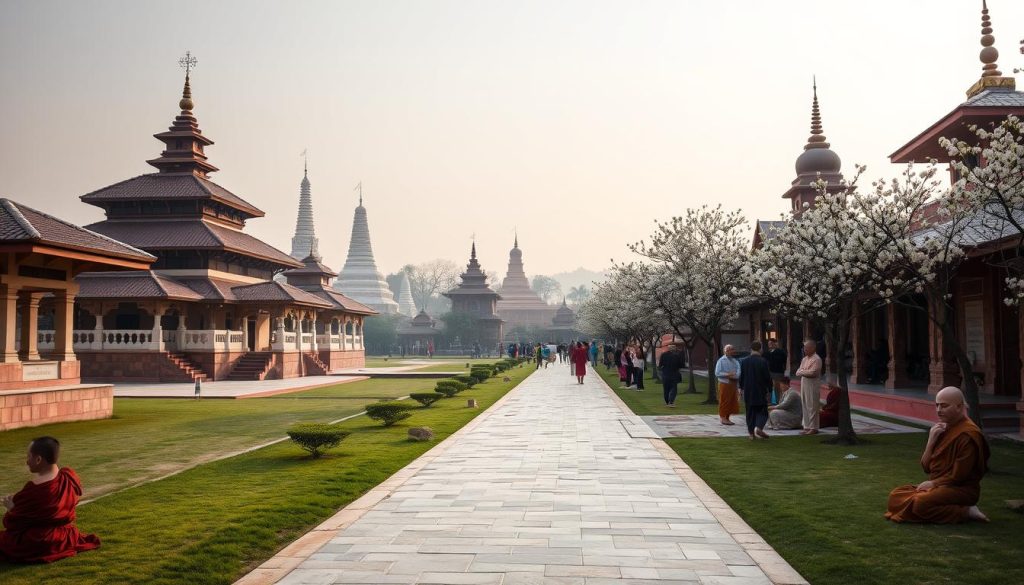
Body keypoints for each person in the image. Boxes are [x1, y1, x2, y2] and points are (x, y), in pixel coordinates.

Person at [885, 387, 990, 524]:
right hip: (940, 486)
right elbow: (926, 467)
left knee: (920, 503)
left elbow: (959, 476)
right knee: (896, 495)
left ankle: (967, 511)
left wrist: (933, 483)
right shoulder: (943, 428)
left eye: (944, 406)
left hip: (961, 489)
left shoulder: (968, 435)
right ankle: (939, 505)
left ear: (959, 407)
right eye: (937, 405)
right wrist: (931, 440)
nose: (939, 410)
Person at [0, 437, 100, 563]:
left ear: (38, 459)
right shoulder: (69, 477)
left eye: (29, 456)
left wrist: (11, 508)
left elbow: (14, 524)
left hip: (39, 541)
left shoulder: (34, 488)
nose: (27, 461)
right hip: (66, 537)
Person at [738, 341, 773, 440]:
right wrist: (770, 389)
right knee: (762, 411)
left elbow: (742, 376)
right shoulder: (763, 361)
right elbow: (767, 377)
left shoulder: (744, 361)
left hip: (748, 390)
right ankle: (759, 427)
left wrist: (740, 387)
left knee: (750, 411)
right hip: (760, 390)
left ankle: (751, 434)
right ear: (760, 349)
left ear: (751, 349)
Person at [795, 340, 822, 435]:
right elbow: (797, 371)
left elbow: (813, 373)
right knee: (805, 405)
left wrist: (803, 372)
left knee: (812, 406)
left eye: (806, 348)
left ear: (813, 348)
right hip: (804, 384)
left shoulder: (816, 359)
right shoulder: (804, 359)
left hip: (812, 385)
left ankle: (813, 427)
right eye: (804, 348)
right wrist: (804, 371)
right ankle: (806, 426)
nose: (804, 350)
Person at [714, 345, 741, 425]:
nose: (731, 351)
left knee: (732, 401)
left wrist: (735, 376)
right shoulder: (721, 361)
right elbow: (717, 373)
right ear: (725, 351)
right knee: (724, 401)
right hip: (724, 383)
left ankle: (727, 417)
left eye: (732, 349)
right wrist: (728, 375)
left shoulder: (735, 361)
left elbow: (738, 371)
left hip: (733, 383)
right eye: (729, 350)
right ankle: (723, 418)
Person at [658, 342, 685, 407]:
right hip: (674, 374)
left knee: (666, 389)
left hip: (665, 373)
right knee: (674, 388)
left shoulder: (663, 355)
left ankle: (667, 402)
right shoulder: (677, 355)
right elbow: (681, 365)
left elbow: (660, 364)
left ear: (668, 348)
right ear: (674, 349)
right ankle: (671, 401)